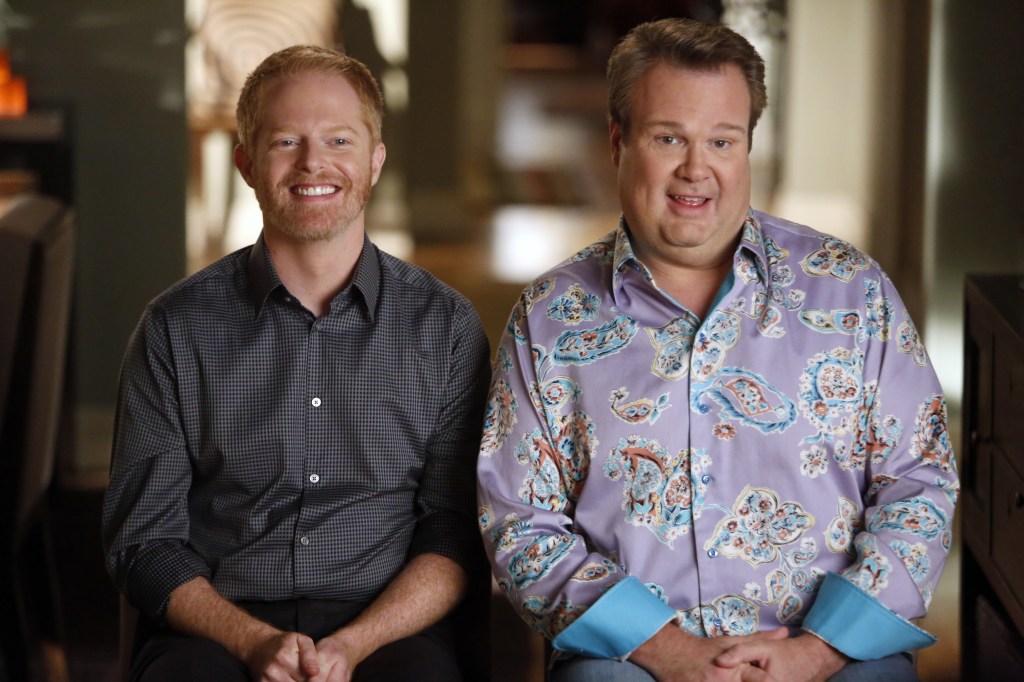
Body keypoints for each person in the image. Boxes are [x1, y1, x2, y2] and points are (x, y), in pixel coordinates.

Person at [476, 18, 957, 682]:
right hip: (631, 661)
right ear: (618, 141)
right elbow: (518, 523)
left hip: (829, 655)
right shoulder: (550, 319)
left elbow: (920, 486)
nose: (695, 169)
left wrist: (815, 651)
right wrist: (668, 651)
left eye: (722, 141)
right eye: (668, 137)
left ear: (748, 149)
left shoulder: (852, 291)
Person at [102, 45, 491, 682]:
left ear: (375, 159)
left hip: (386, 626)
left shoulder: (444, 329)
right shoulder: (174, 328)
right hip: (219, 626)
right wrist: (253, 641)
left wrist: (356, 643)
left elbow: (451, 532)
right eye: (286, 141)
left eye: (339, 139)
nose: (314, 163)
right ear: (246, 164)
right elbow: (145, 541)